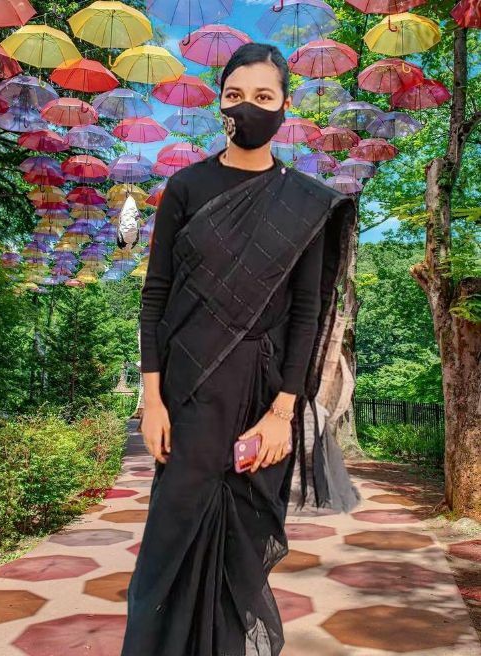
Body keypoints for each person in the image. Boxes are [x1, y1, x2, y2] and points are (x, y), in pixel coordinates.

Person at [120, 42, 358, 656]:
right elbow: (155, 297)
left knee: (242, 553)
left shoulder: (305, 203)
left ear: (284, 107)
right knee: (168, 547)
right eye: (234, 95)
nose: (247, 108)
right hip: (188, 395)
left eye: (262, 96)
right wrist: (152, 401)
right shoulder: (186, 187)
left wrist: (282, 413)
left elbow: (305, 314)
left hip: (261, 396)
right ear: (220, 103)